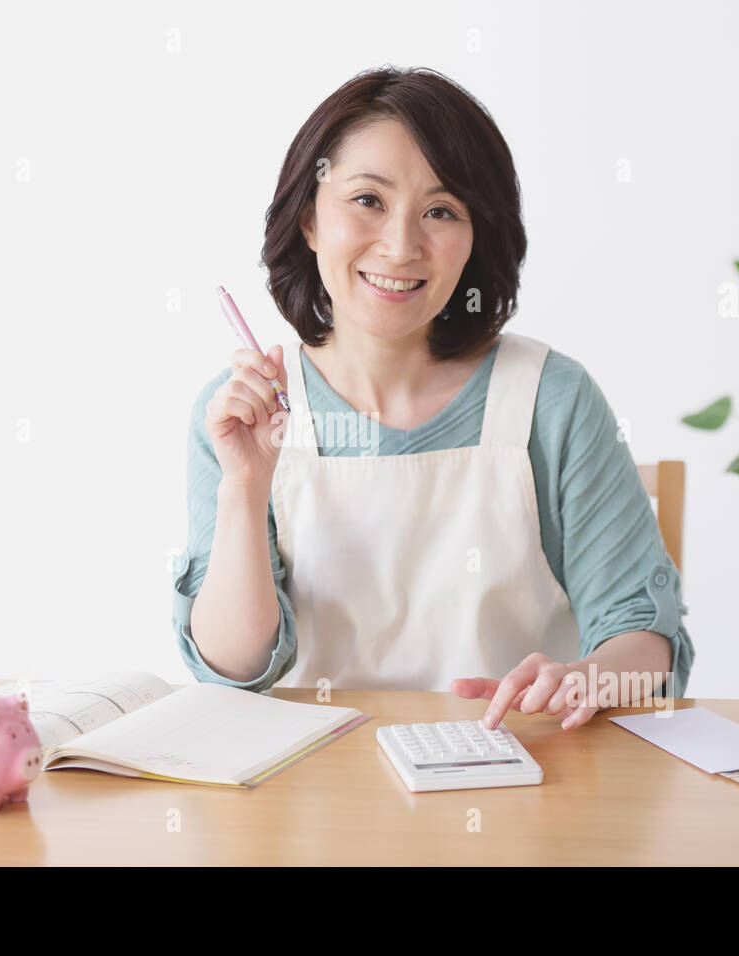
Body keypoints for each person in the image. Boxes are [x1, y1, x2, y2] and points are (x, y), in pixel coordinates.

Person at [171, 66, 694, 731]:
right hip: (309, 802)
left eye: (441, 211)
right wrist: (244, 490)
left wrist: (588, 676)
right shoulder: (240, 415)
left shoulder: (551, 400)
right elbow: (232, 672)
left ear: (476, 239)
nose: (400, 245)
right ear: (308, 219)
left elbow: (644, 639)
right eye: (368, 200)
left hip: (519, 783)